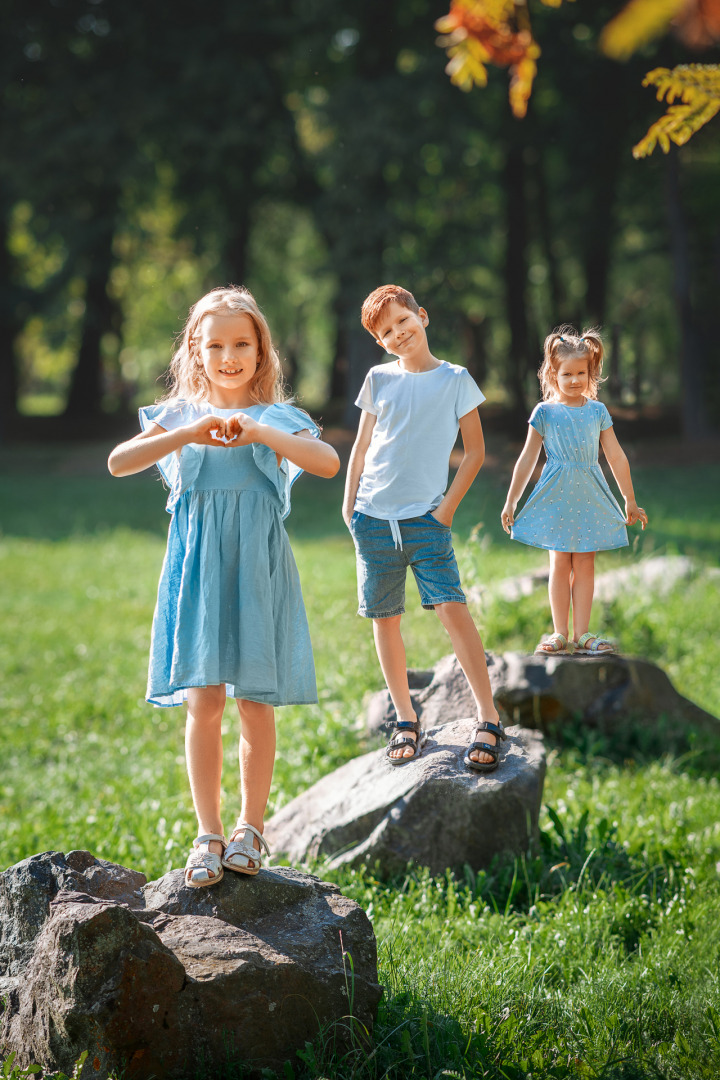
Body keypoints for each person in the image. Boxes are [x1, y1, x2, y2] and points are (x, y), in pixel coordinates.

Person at [108, 286, 339, 887]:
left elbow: (327, 463)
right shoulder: (179, 417)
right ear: (195, 350)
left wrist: (261, 434)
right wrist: (190, 433)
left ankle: (250, 829)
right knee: (203, 700)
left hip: (257, 569)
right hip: (199, 569)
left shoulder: (278, 419)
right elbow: (118, 463)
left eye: (242, 343)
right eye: (215, 345)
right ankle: (207, 832)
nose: (229, 355)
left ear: (262, 352)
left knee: (254, 700)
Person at [343, 284, 504, 774]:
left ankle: (488, 717)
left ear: (423, 316)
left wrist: (447, 510)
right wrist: (349, 506)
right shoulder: (378, 379)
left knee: (454, 613)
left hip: (427, 522)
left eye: (402, 321)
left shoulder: (455, 379)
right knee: (384, 620)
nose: (398, 333)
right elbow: (361, 446)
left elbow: (475, 452)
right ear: (379, 342)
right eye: (386, 331)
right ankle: (406, 720)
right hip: (373, 520)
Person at [501, 325, 647, 656]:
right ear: (552, 374)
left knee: (585, 564)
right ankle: (559, 632)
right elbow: (527, 460)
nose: (575, 380)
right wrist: (512, 499)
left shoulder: (597, 411)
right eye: (567, 374)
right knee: (559, 563)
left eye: (581, 372)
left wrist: (630, 499)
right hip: (557, 494)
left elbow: (615, 456)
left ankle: (583, 633)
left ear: (591, 372)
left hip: (589, 492)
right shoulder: (544, 413)